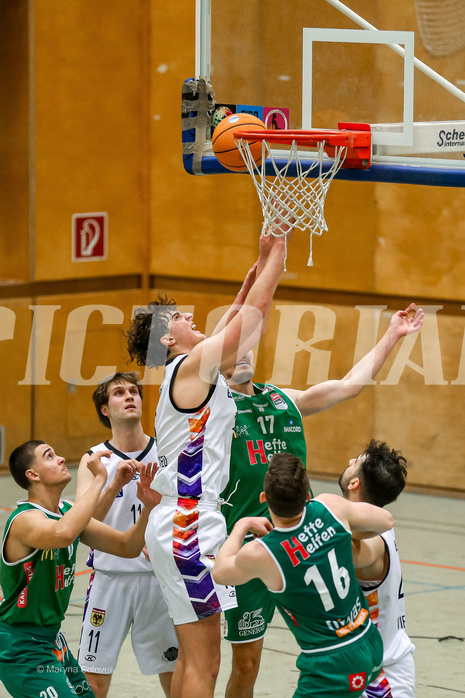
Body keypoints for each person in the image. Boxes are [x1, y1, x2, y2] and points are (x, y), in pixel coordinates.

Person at [220, 302, 424, 698]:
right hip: (254, 549)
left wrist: (392, 335)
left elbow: (349, 385)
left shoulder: (283, 399)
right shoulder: (212, 411)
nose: (243, 353)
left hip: (305, 542)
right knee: (246, 664)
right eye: (233, 347)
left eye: (248, 345)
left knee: (336, 641)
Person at [125, 231, 290, 698]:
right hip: (189, 524)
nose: (191, 316)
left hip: (182, 521)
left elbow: (241, 318)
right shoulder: (190, 367)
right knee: (205, 660)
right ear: (165, 337)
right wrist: (278, 255)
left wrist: (259, 269)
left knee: (192, 655)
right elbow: (248, 323)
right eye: (178, 316)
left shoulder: (186, 370)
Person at [213, 452, 395, 698]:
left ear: (264, 498)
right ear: (307, 496)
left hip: (330, 662)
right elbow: (386, 521)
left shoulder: (261, 553)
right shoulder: (330, 506)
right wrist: (339, 537)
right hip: (368, 639)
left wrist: (241, 525)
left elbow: (221, 572)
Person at [0, 439, 158, 698]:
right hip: (21, 645)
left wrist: (148, 507)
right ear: (32, 474)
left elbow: (127, 546)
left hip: (52, 640)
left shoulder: (65, 510)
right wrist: (100, 479)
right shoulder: (25, 520)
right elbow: (64, 533)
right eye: (49, 456)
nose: (61, 459)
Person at [75, 372, 178, 698]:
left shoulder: (166, 452)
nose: (130, 396)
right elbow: (82, 523)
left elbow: (183, 510)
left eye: (134, 391)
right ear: (105, 409)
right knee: (94, 681)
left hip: (158, 582)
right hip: (110, 581)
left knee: (173, 673)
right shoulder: (94, 460)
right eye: (119, 393)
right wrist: (114, 485)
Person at [339, 440, 416, 698]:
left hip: (382, 677)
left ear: (354, 484)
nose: (350, 462)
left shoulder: (371, 542)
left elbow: (355, 552)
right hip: (358, 667)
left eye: (356, 462)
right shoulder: (374, 524)